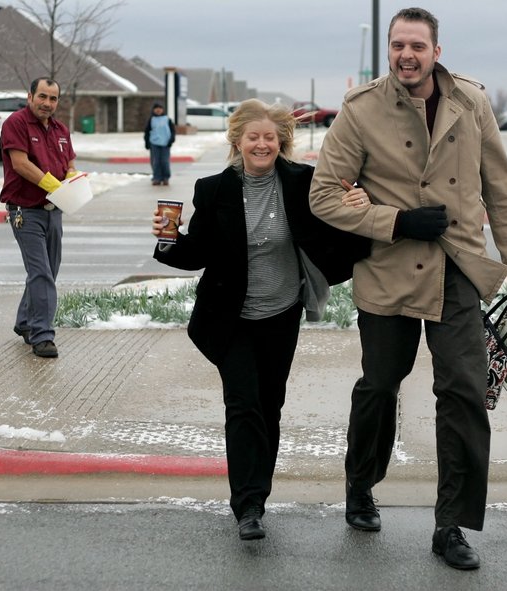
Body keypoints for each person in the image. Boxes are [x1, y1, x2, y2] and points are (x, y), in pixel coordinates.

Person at [309, 7, 507, 570]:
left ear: (437, 50)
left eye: (416, 45)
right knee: (380, 386)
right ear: (388, 51)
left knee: (463, 392)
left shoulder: (471, 102)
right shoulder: (361, 111)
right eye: (397, 46)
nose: (406, 55)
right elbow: (323, 195)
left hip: (457, 269)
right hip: (387, 271)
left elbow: (501, 188)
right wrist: (395, 222)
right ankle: (360, 483)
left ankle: (451, 524)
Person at [151, 99, 369, 542]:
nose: (262, 143)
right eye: (253, 137)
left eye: (270, 137)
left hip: (281, 313)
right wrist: (167, 238)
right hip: (230, 318)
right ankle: (248, 504)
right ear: (238, 141)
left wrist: (358, 207)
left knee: (269, 405)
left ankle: (258, 494)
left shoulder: (301, 182)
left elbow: (334, 230)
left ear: (281, 142)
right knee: (244, 405)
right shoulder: (213, 190)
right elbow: (199, 252)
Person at [0, 77, 78, 358]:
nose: (47, 103)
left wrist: (72, 180)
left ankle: (24, 322)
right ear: (30, 96)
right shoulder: (16, 123)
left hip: (53, 211)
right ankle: (42, 335)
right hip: (25, 211)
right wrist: (53, 185)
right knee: (41, 273)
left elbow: (69, 164)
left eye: (53, 99)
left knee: (47, 271)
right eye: (42, 96)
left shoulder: (60, 129)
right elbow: (20, 164)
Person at [144, 102, 175, 186]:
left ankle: (166, 178)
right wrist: (146, 143)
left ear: (163, 109)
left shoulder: (167, 119)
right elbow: (147, 132)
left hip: (165, 143)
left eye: (160, 108)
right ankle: (157, 178)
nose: (158, 110)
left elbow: (172, 131)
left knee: (165, 161)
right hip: (154, 143)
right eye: (156, 108)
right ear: (153, 110)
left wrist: (171, 140)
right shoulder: (151, 120)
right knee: (155, 162)